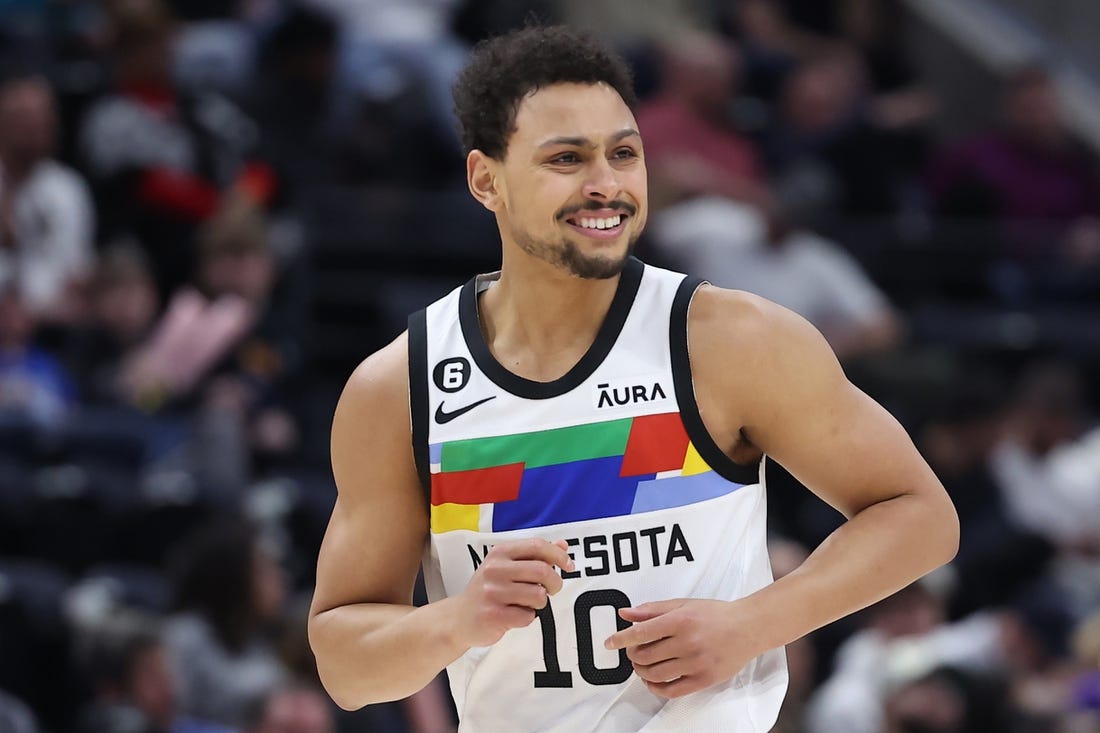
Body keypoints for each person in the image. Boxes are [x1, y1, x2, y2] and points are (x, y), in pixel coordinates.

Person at [308, 25, 958, 732]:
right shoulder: (400, 385)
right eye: (567, 158)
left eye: (624, 153)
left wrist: (751, 623)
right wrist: (456, 620)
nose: (606, 184)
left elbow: (921, 514)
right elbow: (344, 664)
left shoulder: (731, 340)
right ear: (484, 179)